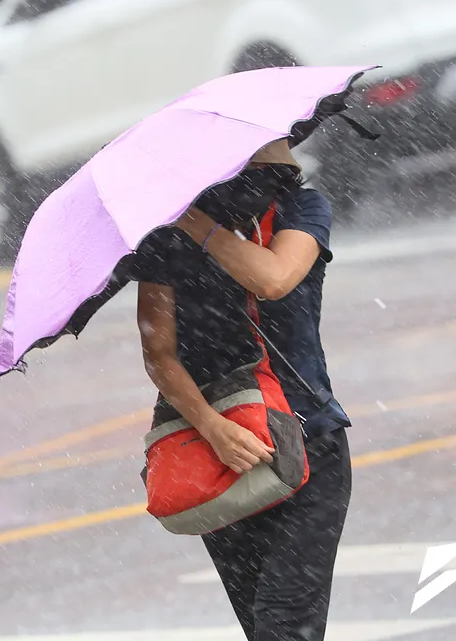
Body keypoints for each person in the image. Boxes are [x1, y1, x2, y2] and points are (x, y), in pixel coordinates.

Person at [135, 138, 350, 641]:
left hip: (307, 442)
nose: (268, 181)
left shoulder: (302, 209)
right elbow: (158, 352)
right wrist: (213, 428)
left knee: (283, 624)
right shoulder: (166, 240)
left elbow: (273, 279)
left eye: (275, 170)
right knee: (262, 625)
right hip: (220, 456)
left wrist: (200, 228)